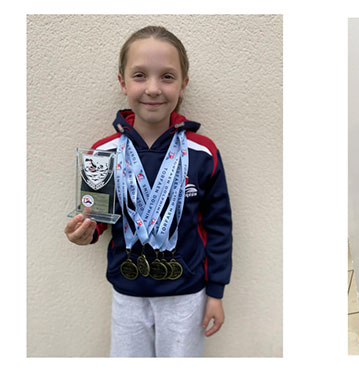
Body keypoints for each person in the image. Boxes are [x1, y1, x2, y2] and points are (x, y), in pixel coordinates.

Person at [63, 26, 232, 357]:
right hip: (127, 293)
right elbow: (97, 217)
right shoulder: (103, 153)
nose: (153, 89)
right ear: (123, 82)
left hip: (187, 295)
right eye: (140, 76)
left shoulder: (203, 153)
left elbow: (218, 226)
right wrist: (86, 232)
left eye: (167, 77)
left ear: (183, 84)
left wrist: (216, 292)